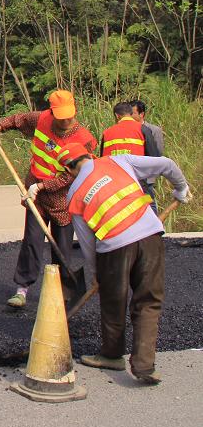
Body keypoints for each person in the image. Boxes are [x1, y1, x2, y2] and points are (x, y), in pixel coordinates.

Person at [57, 142, 192, 385]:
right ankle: (144, 366)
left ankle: (112, 355)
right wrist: (181, 189)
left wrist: (96, 273)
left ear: (68, 171)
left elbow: (87, 243)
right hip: (149, 236)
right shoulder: (118, 161)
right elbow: (167, 164)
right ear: (90, 155)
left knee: (113, 301)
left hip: (113, 249)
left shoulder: (73, 195)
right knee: (149, 300)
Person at [0, 90, 97, 308]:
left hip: (63, 200)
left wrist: (43, 186)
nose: (65, 121)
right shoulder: (43, 119)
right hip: (34, 195)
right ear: (51, 111)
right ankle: (22, 289)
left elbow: (71, 175)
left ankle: (62, 294)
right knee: (32, 241)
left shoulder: (83, 139)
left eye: (69, 116)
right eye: (60, 116)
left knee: (62, 248)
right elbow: (18, 119)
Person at [129, 99, 165, 212]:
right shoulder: (128, 130)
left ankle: (155, 227)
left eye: (133, 113)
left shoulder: (154, 130)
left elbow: (158, 151)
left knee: (149, 202)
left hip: (147, 175)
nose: (130, 116)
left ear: (141, 114)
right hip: (132, 174)